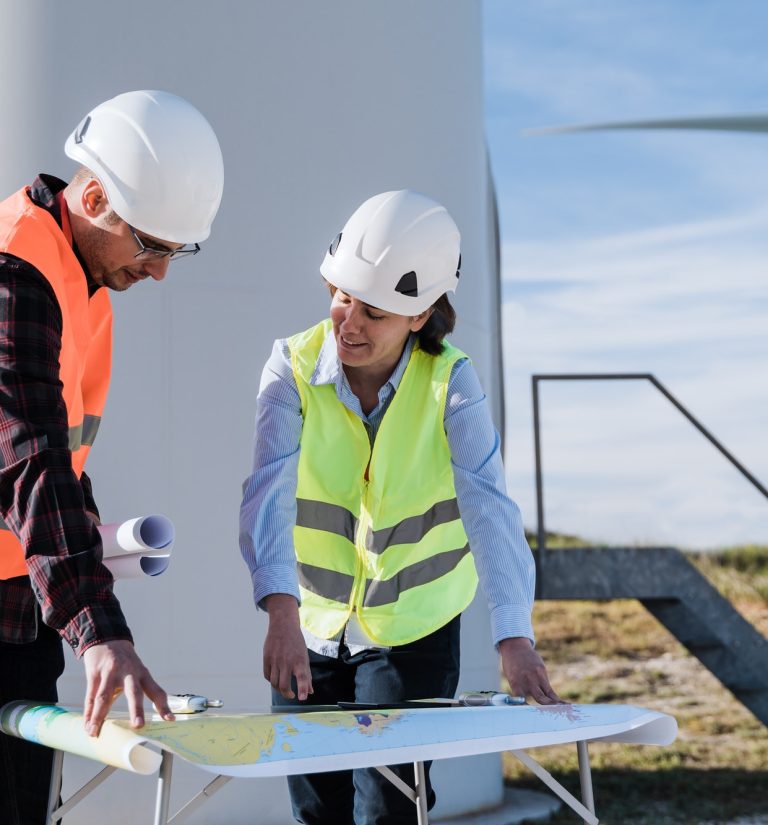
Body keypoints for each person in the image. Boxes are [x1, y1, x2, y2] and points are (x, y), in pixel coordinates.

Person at [240, 189, 561, 824]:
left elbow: (489, 508)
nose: (349, 323)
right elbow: (267, 492)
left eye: (374, 311)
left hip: (414, 630)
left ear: (419, 316)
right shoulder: (291, 367)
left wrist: (514, 637)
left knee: (389, 809)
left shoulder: (451, 382)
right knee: (314, 810)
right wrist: (279, 611)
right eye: (341, 297)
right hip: (309, 622)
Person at [0, 89, 224, 825]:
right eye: (152, 245)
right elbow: (28, 456)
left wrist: (91, 530)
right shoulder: (14, 271)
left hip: (20, 613)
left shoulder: (80, 285)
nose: (160, 272)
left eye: (175, 252)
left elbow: (60, 456)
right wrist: (98, 627)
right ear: (94, 198)